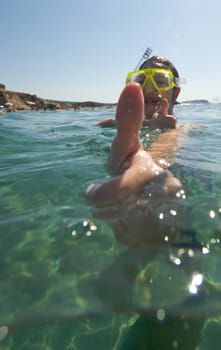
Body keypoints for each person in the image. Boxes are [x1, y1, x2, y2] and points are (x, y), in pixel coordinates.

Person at [96, 55, 181, 130]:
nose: (149, 89)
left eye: (160, 82)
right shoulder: (110, 124)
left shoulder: (183, 131)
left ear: (175, 94)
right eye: (142, 81)